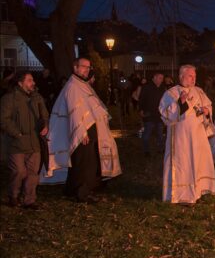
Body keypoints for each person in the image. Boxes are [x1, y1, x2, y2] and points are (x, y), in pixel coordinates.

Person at [45, 57, 122, 203]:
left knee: (81, 163)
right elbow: (75, 111)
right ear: (75, 68)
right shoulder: (73, 86)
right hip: (83, 133)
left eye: (88, 67)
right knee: (85, 164)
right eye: (84, 67)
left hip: (90, 131)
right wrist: (82, 132)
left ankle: (71, 189)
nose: (87, 69)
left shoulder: (82, 84)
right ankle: (82, 192)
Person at [159, 64, 215, 204]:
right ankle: (181, 194)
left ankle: (199, 190)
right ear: (181, 76)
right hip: (181, 137)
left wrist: (207, 112)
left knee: (198, 161)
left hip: (198, 136)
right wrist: (181, 102)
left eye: (194, 76)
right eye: (190, 76)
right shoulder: (171, 93)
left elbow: (208, 107)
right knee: (184, 163)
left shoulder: (199, 91)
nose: (193, 79)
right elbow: (165, 114)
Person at [1, 71, 49, 208]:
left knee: (33, 173)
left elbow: (44, 115)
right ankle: (13, 195)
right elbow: (3, 119)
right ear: (20, 83)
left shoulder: (37, 98)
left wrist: (46, 125)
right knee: (19, 171)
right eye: (29, 80)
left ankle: (29, 200)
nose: (33, 83)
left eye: (32, 80)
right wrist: (17, 133)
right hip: (16, 143)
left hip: (34, 143)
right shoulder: (9, 99)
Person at [139, 72, 166, 156]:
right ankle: (146, 150)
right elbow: (141, 99)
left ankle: (161, 149)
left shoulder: (162, 88)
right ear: (154, 78)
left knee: (160, 133)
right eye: (159, 78)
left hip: (159, 115)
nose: (161, 80)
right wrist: (141, 110)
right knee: (147, 133)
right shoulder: (147, 87)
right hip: (149, 114)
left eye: (162, 78)